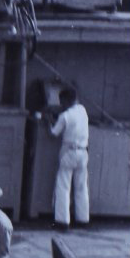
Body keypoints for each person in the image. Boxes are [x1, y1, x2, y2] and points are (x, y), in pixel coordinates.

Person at [49, 87, 89, 230]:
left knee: (63, 186)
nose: (61, 104)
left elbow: (53, 134)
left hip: (69, 152)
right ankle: (83, 220)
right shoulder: (83, 110)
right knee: (81, 186)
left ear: (65, 100)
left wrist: (49, 121)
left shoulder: (64, 116)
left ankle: (62, 222)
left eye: (62, 101)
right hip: (83, 152)